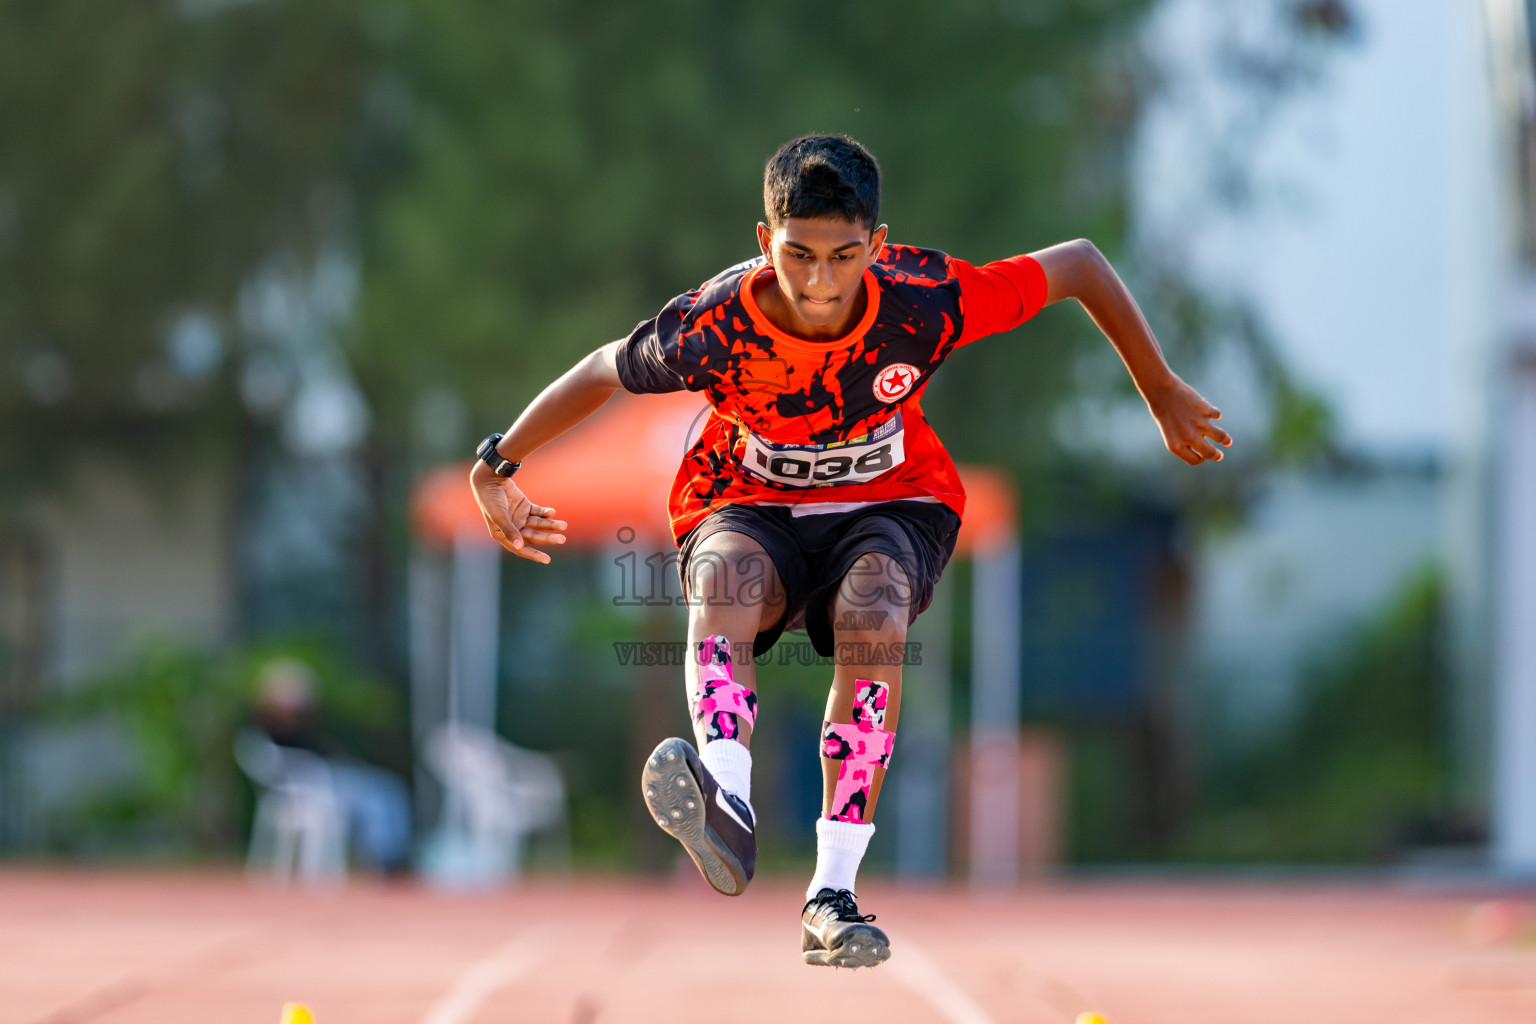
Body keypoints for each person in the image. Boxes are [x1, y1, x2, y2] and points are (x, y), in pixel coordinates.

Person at [469, 135, 1231, 968]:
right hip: (747, 498)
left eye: (842, 257)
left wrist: (1159, 389)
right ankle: (727, 793)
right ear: (765, 241)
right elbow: (602, 369)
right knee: (726, 577)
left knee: (874, 609)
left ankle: (831, 893)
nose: (820, 283)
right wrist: (496, 463)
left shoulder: (926, 297)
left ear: (877, 244)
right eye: (797, 256)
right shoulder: (716, 324)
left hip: (894, 499)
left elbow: (1080, 263)